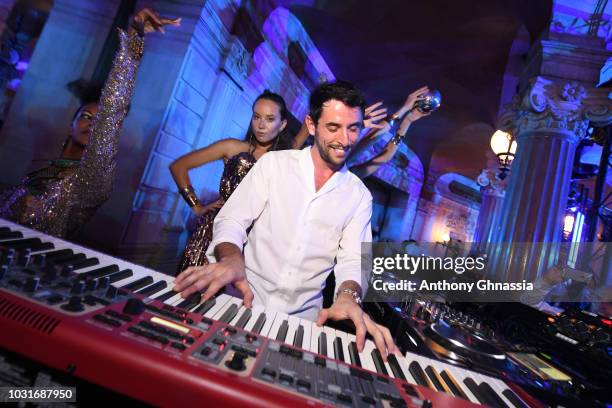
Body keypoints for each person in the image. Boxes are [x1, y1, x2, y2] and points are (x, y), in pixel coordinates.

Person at [173, 80, 398, 360]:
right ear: (312, 125)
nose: (346, 139)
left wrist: (348, 295)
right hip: (241, 302)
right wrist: (231, 258)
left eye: (353, 128)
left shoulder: (359, 196)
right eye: (333, 127)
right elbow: (231, 221)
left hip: (301, 326)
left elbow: (354, 261)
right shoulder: (274, 166)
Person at [0, 8, 180, 238]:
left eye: (99, 121)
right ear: (71, 124)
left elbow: (112, 112)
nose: (93, 124)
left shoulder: (92, 177)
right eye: (85, 116)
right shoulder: (44, 169)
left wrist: (133, 43)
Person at [170, 92, 388, 273]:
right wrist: (197, 208)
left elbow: (316, 130)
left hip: (252, 242)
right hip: (212, 235)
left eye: (270, 119)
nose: (261, 125)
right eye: (256, 117)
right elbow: (178, 166)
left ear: (283, 124)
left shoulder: (284, 158)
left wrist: (351, 123)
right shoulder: (232, 147)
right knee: (192, 295)